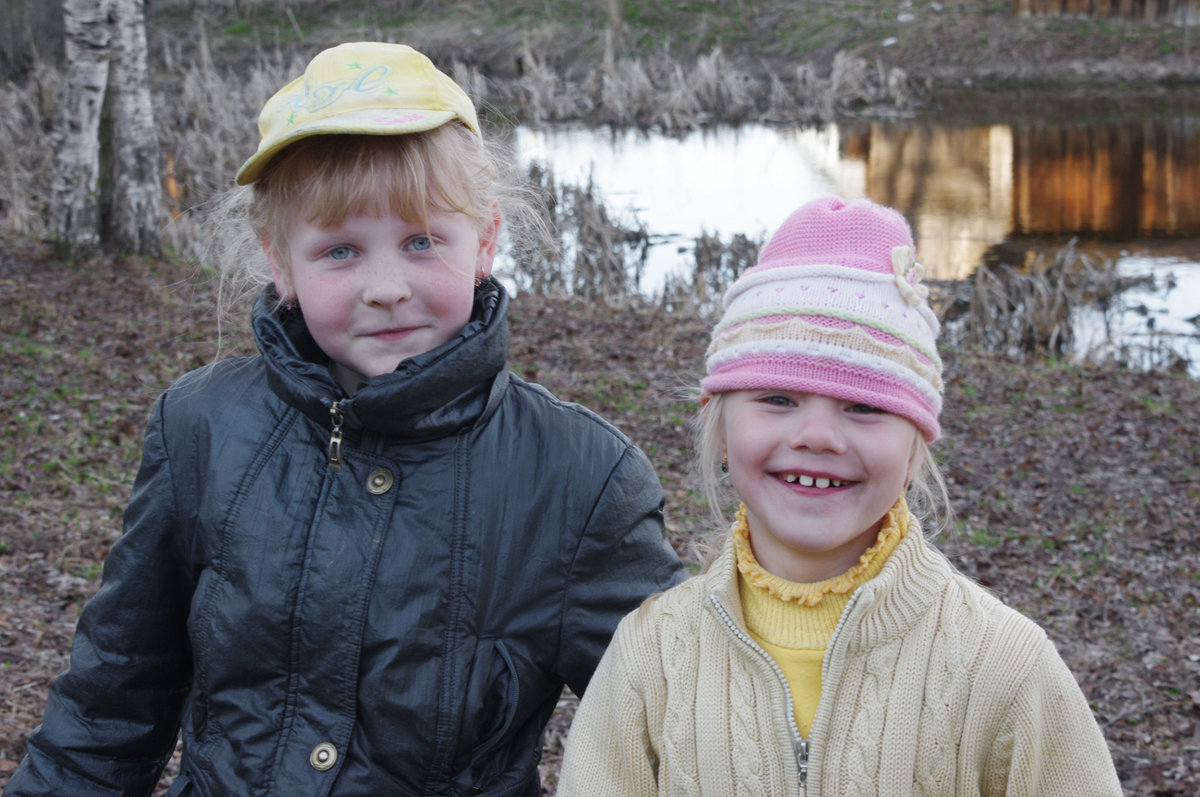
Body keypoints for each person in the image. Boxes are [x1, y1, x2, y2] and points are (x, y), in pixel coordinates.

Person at [7, 42, 684, 796]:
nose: (386, 286)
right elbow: (110, 702)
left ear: (486, 240)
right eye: (340, 250)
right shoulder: (201, 427)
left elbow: (681, 728)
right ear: (281, 262)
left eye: (422, 240)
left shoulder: (579, 477)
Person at [557, 196, 1123, 795]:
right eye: (778, 398)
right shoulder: (650, 657)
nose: (818, 437)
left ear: (914, 447)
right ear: (721, 429)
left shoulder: (1004, 664)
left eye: (864, 406)